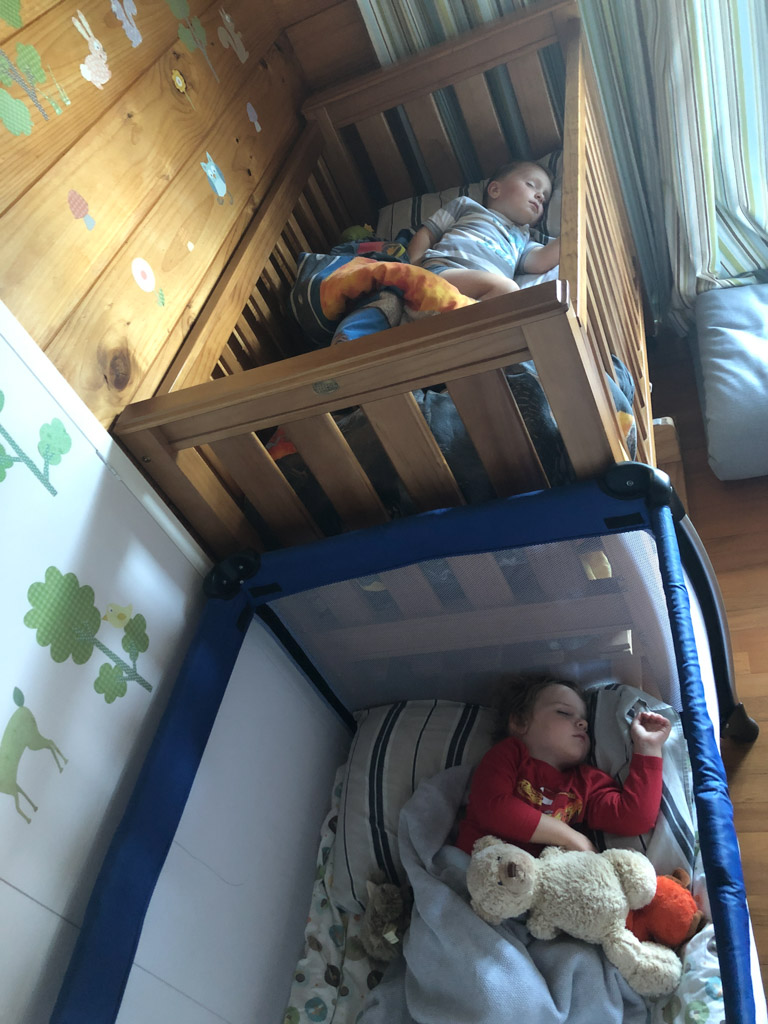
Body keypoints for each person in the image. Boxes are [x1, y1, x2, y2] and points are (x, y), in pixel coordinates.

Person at [455, 675, 671, 856]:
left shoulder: (586, 782)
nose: (582, 723)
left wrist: (648, 747)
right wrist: (572, 838)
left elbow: (634, 819)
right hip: (478, 872)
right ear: (520, 723)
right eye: (564, 713)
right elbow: (494, 808)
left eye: (585, 722)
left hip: (542, 885)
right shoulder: (509, 754)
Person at [407, 161, 561, 301]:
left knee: (509, 297)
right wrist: (413, 267)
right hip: (442, 274)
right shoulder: (466, 206)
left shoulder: (523, 238)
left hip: (479, 296)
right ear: (495, 190)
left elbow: (541, 260)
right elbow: (427, 234)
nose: (540, 196)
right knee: (508, 289)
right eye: (531, 184)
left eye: (545, 199)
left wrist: (571, 233)